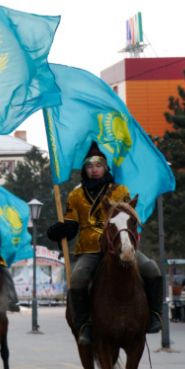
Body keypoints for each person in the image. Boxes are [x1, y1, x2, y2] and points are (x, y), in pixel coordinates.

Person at [46, 142, 163, 346]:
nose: (94, 170)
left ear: (106, 168)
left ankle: (154, 315)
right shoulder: (75, 195)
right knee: (78, 277)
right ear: (84, 169)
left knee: (151, 268)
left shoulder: (120, 191)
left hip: (119, 244)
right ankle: (84, 324)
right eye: (90, 166)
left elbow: (128, 217)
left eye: (98, 166)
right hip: (90, 247)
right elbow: (72, 223)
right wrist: (60, 230)